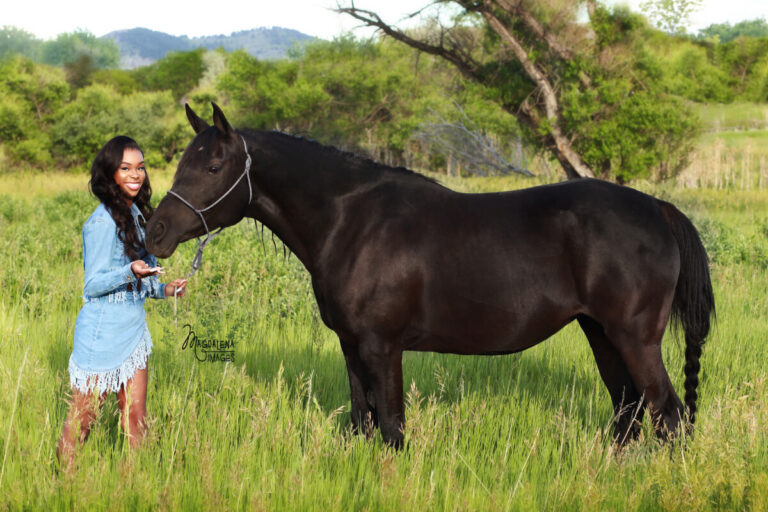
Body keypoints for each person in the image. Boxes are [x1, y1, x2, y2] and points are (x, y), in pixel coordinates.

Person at [57, 136, 188, 469]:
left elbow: (140, 280)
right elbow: (93, 285)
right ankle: (62, 484)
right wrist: (129, 271)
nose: (135, 175)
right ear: (111, 174)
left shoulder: (138, 216)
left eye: (140, 168)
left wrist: (166, 289)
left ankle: (136, 486)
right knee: (84, 418)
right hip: (102, 332)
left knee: (136, 417)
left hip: (133, 331)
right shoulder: (101, 222)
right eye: (126, 168)